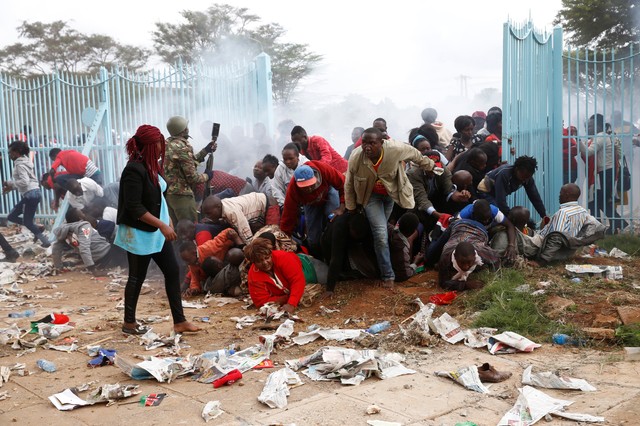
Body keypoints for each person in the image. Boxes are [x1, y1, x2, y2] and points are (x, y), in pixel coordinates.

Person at [114, 124, 199, 335]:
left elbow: (159, 196)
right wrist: (161, 224)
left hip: (156, 232)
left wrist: (167, 219)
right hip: (140, 232)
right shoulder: (133, 170)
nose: (163, 148)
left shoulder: (153, 166)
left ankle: (179, 321)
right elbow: (134, 207)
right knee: (137, 277)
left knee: (172, 270)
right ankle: (129, 323)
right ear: (151, 146)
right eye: (159, 144)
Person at [345, 127, 436, 289]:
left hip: (390, 194)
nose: (367, 147)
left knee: (382, 232)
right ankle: (388, 275)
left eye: (372, 143)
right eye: (364, 142)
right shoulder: (356, 156)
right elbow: (349, 182)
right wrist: (351, 206)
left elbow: (415, 155)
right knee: (380, 233)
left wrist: (431, 166)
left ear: (382, 143)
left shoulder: (395, 148)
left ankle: (384, 262)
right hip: (370, 196)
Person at [280, 162, 346, 256]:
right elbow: (289, 213)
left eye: (310, 184)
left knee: (333, 220)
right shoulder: (293, 188)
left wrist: (341, 207)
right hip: (310, 203)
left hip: (328, 192)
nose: (308, 188)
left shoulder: (324, 169)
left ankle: (340, 252)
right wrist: (284, 236)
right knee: (313, 238)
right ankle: (320, 258)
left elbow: (344, 184)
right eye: (304, 186)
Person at [578, 113, 627, 233]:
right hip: (608, 172)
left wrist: (578, 141)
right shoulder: (608, 136)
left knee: (600, 201)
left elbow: (588, 152)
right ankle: (613, 225)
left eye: (590, 126)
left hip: (605, 173)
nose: (588, 129)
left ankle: (616, 223)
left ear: (598, 126)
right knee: (601, 200)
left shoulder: (600, 137)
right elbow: (619, 154)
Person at [163, 115, 215, 225]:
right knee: (189, 231)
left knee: (177, 232)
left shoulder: (167, 144)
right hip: (183, 196)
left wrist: (205, 151)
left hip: (170, 195)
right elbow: (193, 178)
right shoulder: (183, 147)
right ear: (184, 129)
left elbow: (186, 163)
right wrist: (207, 176)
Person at [408, 150, 471, 235]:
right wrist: (438, 215)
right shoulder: (414, 174)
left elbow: (449, 187)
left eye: (436, 168)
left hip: (435, 201)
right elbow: (422, 200)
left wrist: (459, 195)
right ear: (423, 166)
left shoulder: (442, 169)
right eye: (431, 169)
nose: (434, 171)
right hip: (415, 205)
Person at [52, 208, 126, 275]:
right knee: (122, 243)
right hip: (107, 254)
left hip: (97, 259)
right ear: (80, 218)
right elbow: (84, 248)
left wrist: (58, 267)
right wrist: (93, 270)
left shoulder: (64, 230)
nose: (83, 213)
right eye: (81, 212)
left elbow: (56, 248)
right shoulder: (84, 226)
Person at [3, 141, 49, 247]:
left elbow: (24, 182)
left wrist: (11, 184)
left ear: (17, 152)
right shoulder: (25, 162)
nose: (9, 155)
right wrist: (10, 186)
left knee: (18, 218)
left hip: (30, 194)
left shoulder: (19, 165)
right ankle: (37, 228)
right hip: (35, 193)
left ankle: (45, 241)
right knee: (13, 217)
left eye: (10, 153)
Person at [244, 237, 306, 313]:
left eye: (267, 258)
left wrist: (291, 304)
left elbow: (298, 280)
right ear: (253, 262)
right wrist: (287, 298)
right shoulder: (253, 276)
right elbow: (261, 301)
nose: (265, 263)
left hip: (307, 267)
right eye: (259, 261)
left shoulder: (284, 257)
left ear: (271, 254)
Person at [477, 155, 547, 219]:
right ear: (517, 169)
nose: (525, 180)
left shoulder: (527, 178)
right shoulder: (504, 174)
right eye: (523, 176)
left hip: (496, 194)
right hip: (486, 192)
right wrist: (511, 217)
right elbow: (500, 201)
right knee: (497, 214)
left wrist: (543, 215)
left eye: (528, 177)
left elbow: (534, 197)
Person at [179, 228, 244, 296]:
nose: (186, 263)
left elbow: (224, 234)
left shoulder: (208, 248)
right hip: (215, 276)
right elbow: (194, 278)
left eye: (187, 259)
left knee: (234, 255)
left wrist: (232, 235)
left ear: (194, 252)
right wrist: (194, 289)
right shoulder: (192, 264)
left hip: (226, 263)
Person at [201, 192, 276, 243]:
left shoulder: (231, 212)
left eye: (209, 213)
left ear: (218, 207)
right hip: (262, 207)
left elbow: (248, 237)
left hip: (269, 206)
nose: (208, 216)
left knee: (273, 239)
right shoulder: (221, 206)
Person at [268, 143, 305, 208]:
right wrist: (284, 205)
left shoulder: (306, 165)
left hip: (306, 204)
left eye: (291, 158)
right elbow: (276, 189)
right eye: (285, 159)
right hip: (288, 204)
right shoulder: (280, 169)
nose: (288, 161)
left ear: (297, 156)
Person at [389, 212, 421, 282]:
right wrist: (415, 262)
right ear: (413, 231)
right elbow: (406, 274)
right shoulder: (402, 248)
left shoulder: (388, 228)